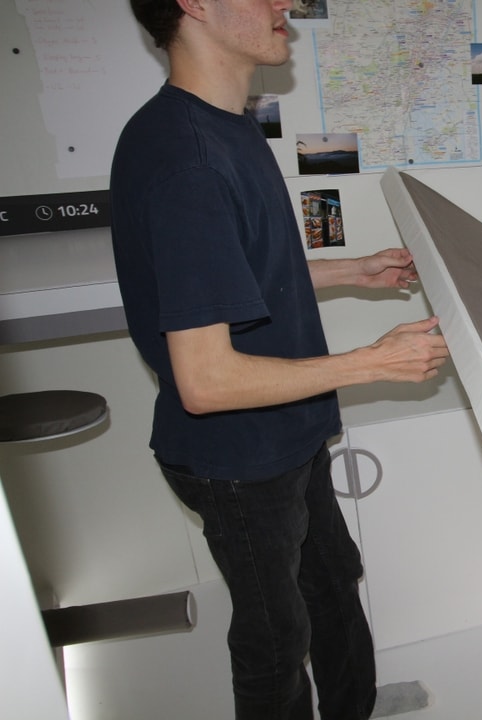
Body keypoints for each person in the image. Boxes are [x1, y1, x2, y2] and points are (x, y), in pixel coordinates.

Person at [110, 1, 450, 718]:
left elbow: (235, 275)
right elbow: (205, 381)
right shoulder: (186, 160)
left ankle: (353, 708)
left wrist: (352, 270)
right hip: (238, 458)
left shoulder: (224, 124)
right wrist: (374, 361)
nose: (286, 2)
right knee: (276, 639)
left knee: (332, 583)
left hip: (288, 429)